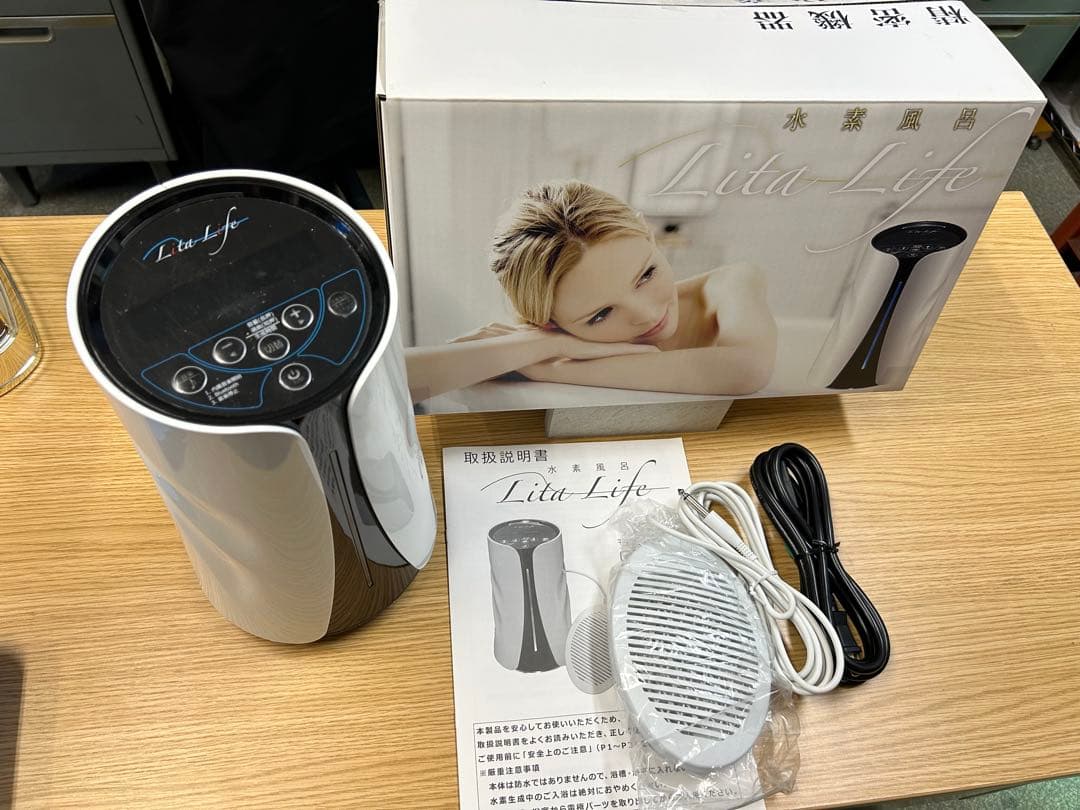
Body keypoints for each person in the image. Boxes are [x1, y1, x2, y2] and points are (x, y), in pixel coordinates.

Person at [404, 180, 776, 403]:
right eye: (600, 314)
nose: (647, 314)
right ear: (549, 323)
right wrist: (543, 346)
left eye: (646, 275)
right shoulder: (548, 343)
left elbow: (748, 369)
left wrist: (550, 370)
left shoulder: (730, 283)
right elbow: (394, 383)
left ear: (648, 234)